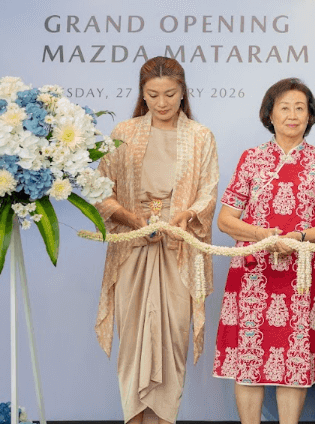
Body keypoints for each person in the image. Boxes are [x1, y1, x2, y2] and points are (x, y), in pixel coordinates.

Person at [95, 56, 219, 424]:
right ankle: (133, 418)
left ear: (183, 94)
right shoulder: (124, 132)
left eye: (170, 94)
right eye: (153, 95)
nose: (162, 103)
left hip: (177, 249)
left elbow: (208, 194)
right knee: (133, 342)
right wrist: (132, 219)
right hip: (133, 247)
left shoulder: (201, 136)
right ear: (142, 95)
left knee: (171, 343)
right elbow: (101, 191)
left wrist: (182, 218)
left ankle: (166, 419)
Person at [212, 78, 315, 424]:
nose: (293, 115)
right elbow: (225, 220)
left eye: (300, 108)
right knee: (249, 358)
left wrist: (298, 237)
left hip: (300, 275)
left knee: (294, 356)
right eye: (284, 107)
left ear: (310, 115)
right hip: (253, 272)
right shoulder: (251, 159)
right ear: (270, 114)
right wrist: (263, 235)